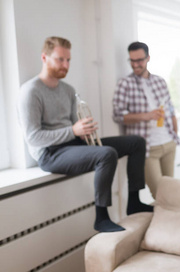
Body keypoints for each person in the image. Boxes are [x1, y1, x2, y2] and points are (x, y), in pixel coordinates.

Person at [17, 36, 153, 233]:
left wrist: (83, 131)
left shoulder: (68, 90)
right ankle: (101, 217)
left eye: (68, 60)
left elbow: (74, 126)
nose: (66, 65)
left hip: (72, 144)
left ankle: (134, 202)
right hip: (50, 153)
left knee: (136, 142)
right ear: (44, 58)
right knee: (106, 154)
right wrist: (73, 130)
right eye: (60, 59)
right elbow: (33, 137)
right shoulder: (30, 91)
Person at [113, 42, 179, 200]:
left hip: (168, 143)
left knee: (170, 191)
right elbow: (118, 115)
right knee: (159, 195)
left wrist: (175, 134)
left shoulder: (159, 81)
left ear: (148, 58)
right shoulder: (125, 84)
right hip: (148, 148)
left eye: (140, 60)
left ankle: (168, 223)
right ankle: (162, 223)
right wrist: (146, 115)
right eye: (132, 61)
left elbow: (170, 109)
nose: (136, 64)